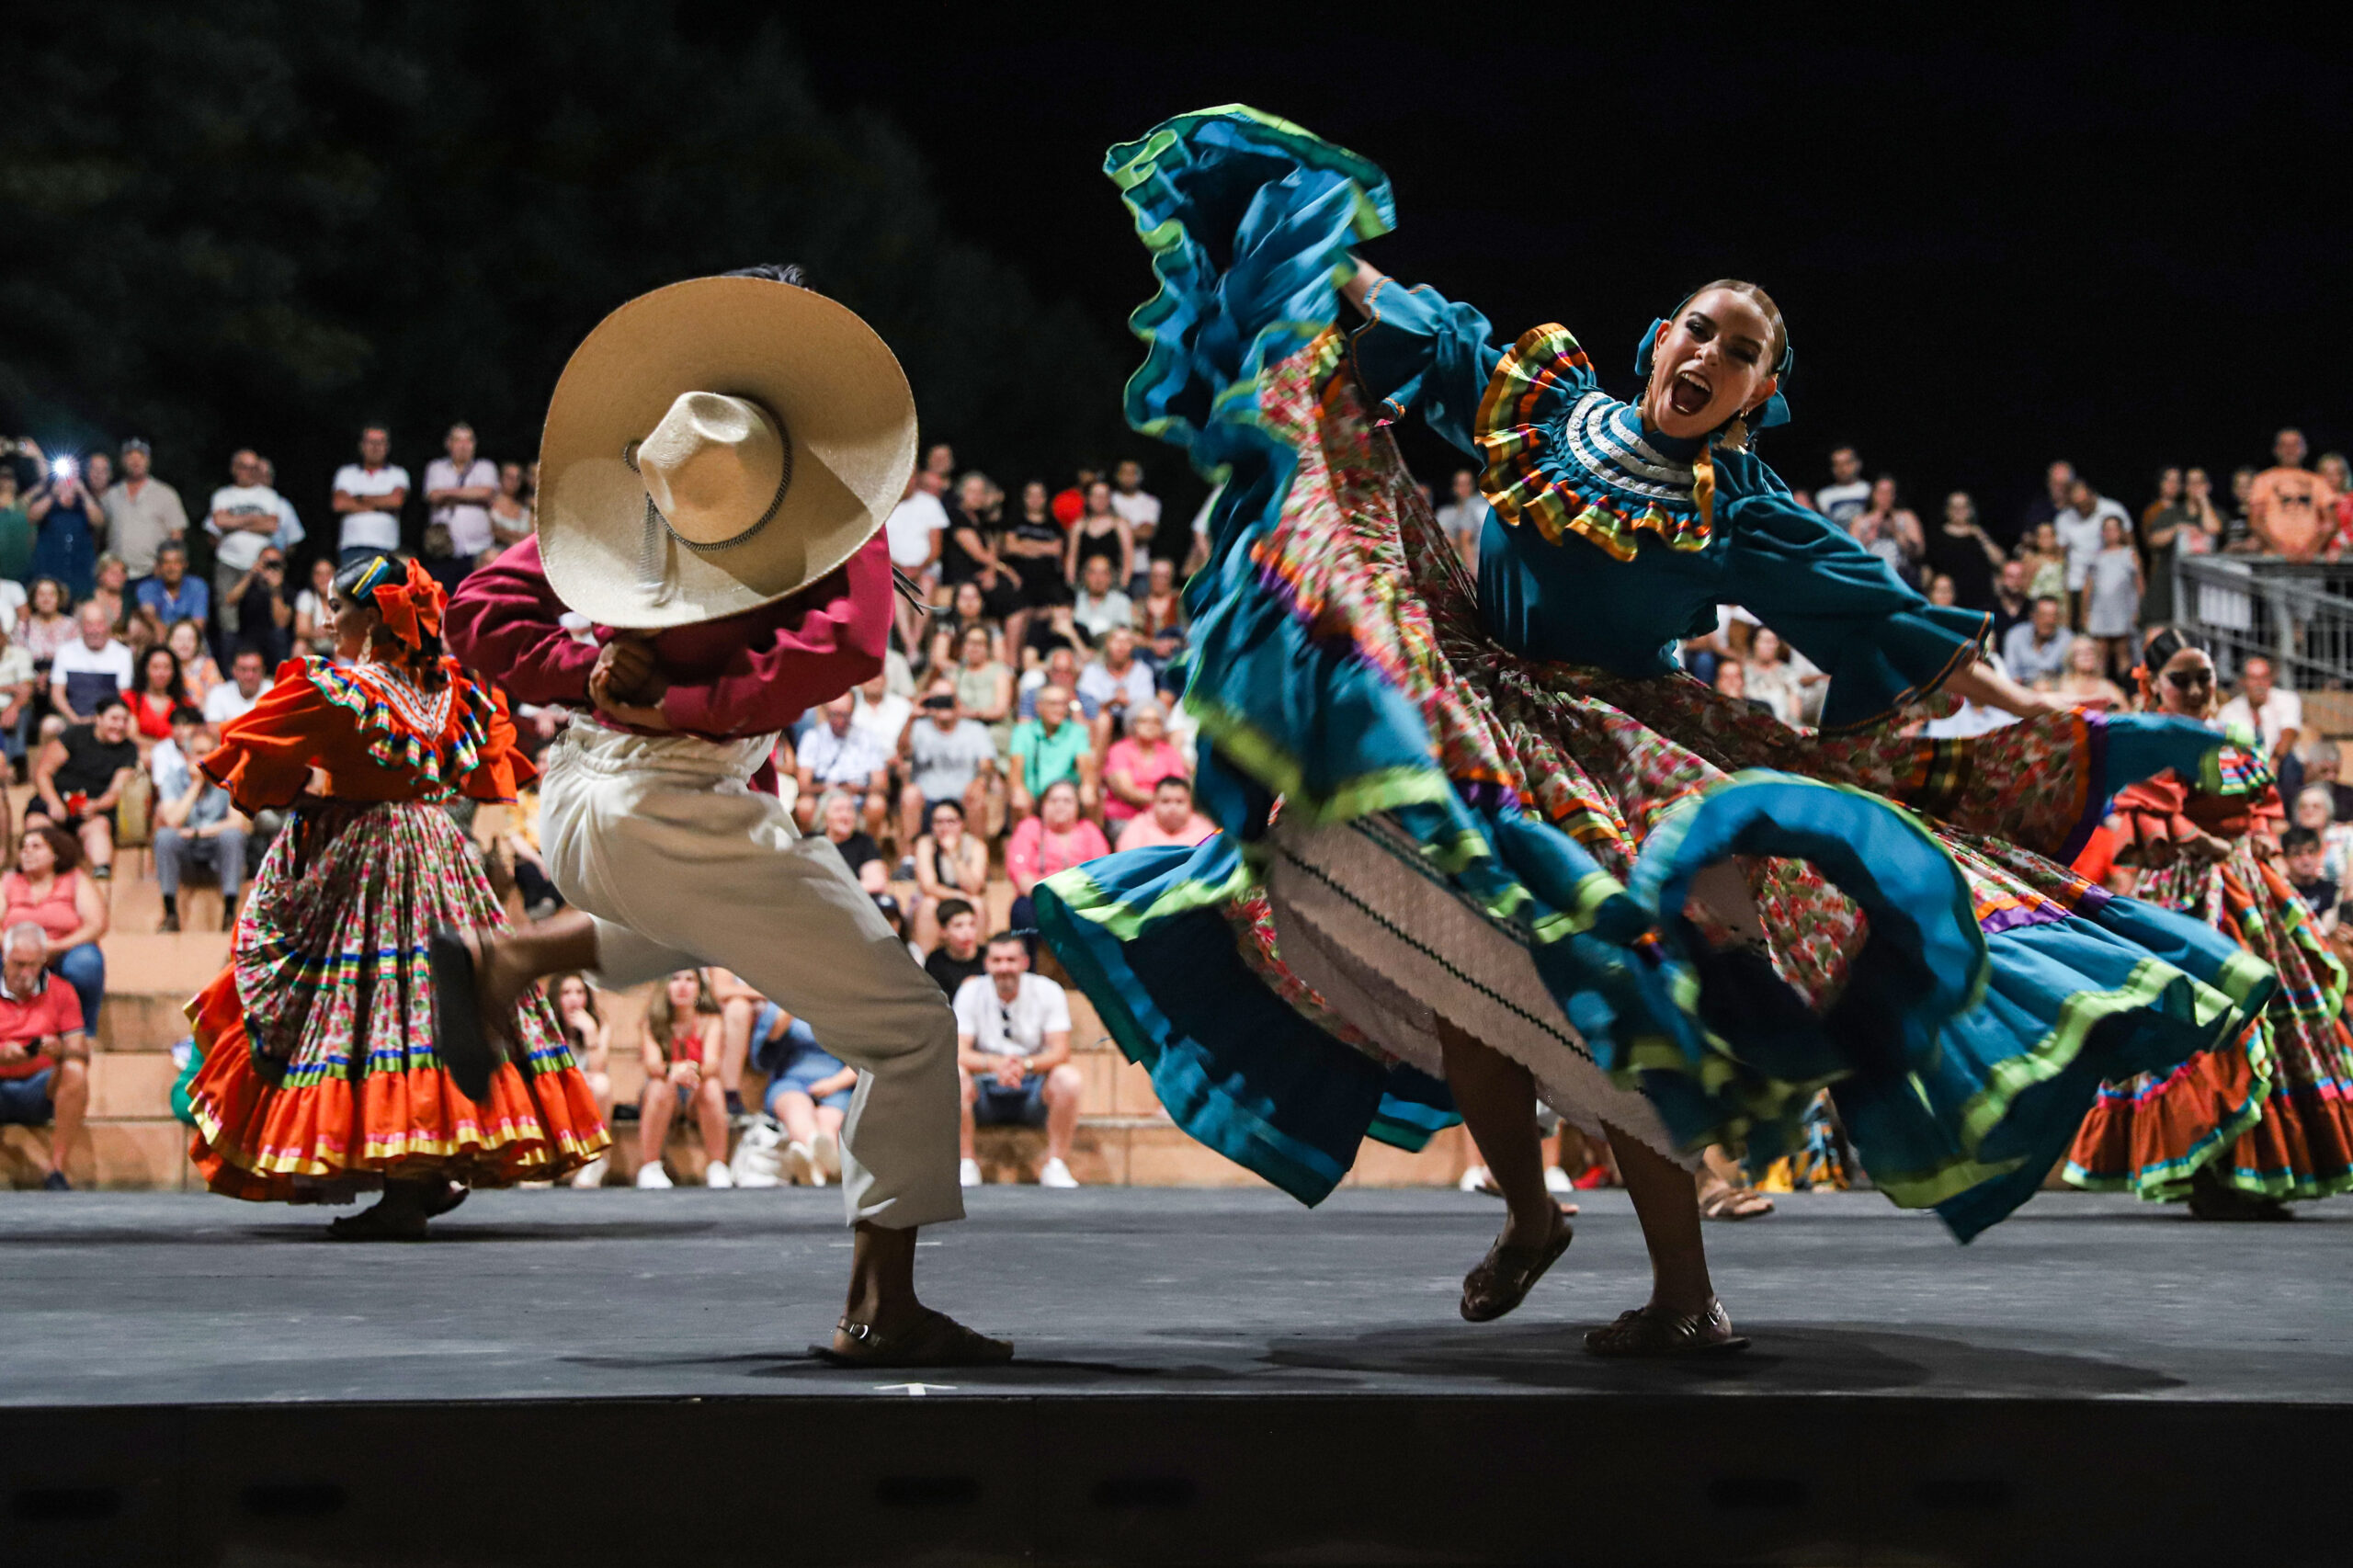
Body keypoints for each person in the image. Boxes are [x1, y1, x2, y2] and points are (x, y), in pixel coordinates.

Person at [1035, 109, 2261, 1357]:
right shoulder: (1540, 406)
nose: (1710, 356)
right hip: (1469, 703)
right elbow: (1419, 326)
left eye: (1741, 353)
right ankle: (1531, 1216)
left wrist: (2040, 712)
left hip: (1607, 748)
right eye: (1699, 329)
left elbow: (1881, 615)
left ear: (1759, 392)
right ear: (1657, 337)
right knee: (1463, 987)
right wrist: (1317, 235)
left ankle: (1686, 1292)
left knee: (1610, 1008)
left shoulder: (1739, 510)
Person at [438, 266, 1003, 1368]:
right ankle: (882, 1307)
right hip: (675, 803)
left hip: (582, 799)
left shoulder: (643, 489)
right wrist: (686, 701)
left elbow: (476, 611)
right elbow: (849, 646)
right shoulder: (826, 506)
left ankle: (516, 954)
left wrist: (584, 671)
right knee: (911, 1030)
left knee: (697, 921)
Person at [180, 554, 607, 1236]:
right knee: (429, 1001)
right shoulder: (456, 692)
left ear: (375, 618)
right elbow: (489, 768)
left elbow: (250, 750)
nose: (327, 621)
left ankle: (407, 1184)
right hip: (437, 850)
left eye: (336, 607)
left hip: (367, 856)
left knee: (376, 1005)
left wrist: (310, 795)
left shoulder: (336, 689)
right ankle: (428, 1170)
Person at [2067, 626, 2353, 1217]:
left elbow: (2259, 803)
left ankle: (2258, 1168)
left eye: (2205, 678)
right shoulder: (2149, 739)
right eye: (2182, 680)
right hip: (2187, 893)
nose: (2197, 690)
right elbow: (2151, 816)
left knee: (2271, 1019)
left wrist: (2259, 839)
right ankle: (2210, 1171)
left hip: (2247, 888)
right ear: (2153, 684)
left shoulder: (2232, 735)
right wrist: (2208, 845)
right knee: (2207, 1021)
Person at [954, 933, 1083, 1187]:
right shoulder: (970, 991)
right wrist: (995, 1065)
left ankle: (1055, 1165)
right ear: (987, 963)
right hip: (984, 1089)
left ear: (1024, 962)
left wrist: (1024, 1066)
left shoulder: (1048, 990)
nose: (1004, 967)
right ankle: (966, 1164)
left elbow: (1061, 1052)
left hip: (1032, 1088)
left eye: (1011, 960)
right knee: (953, 1075)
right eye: (997, 960)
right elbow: (958, 1051)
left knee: (1069, 1078)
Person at [0, 923, 91, 1190]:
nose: (25, 973)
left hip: (41, 1086)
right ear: (5, 957)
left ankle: (56, 1169)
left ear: (43, 961)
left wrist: (60, 1051)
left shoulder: (62, 991)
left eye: (32, 965)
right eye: (18, 964)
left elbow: (80, 1051)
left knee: (75, 1070)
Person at [1, 825, 109, 1034]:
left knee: (86, 963)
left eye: (36, 846)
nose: (27, 852)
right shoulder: (9, 881)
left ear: (55, 854)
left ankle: (83, 1033)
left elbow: (97, 924)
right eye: (23, 847)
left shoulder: (75, 879)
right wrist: (14, 948)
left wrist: (57, 946)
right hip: (16, 953)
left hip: (64, 951)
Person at [633, 968, 733, 1187]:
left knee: (712, 1086)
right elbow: (653, 1065)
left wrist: (690, 1070)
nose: (682, 986)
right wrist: (675, 1071)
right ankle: (650, 1166)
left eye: (690, 980)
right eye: (675, 979)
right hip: (664, 1090)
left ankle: (717, 1166)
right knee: (659, 1086)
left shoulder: (711, 1021)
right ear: (665, 986)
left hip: (696, 1089)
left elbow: (712, 1064)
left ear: (699, 988)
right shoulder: (652, 1021)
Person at [151, 713, 248, 932]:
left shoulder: (230, 779)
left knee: (233, 837)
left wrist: (198, 833)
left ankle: (230, 912)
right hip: (185, 853)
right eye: (199, 753)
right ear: (187, 755)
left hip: (216, 850)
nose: (206, 759)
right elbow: (172, 820)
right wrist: (196, 785)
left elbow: (236, 823)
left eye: (210, 753)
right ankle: (170, 913)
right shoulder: (173, 778)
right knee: (164, 837)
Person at [747, 999, 857, 1187]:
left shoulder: (849, 1007)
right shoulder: (780, 1004)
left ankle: (812, 1165)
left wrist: (834, 1084)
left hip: (836, 1083)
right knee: (796, 1109)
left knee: (829, 1121)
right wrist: (794, 1003)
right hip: (791, 1081)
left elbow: (865, 1060)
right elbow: (766, 1048)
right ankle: (824, 1167)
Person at [31, 695, 138, 880]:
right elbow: (43, 772)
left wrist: (96, 805)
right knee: (37, 825)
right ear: (99, 718)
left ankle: (101, 872)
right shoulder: (75, 735)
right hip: (55, 800)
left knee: (100, 826)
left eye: (124, 720)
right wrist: (54, 802)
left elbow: (115, 791)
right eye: (114, 719)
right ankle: (44, 874)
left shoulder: (129, 750)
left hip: (91, 807)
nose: (120, 725)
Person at [899, 676, 999, 851]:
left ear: (957, 700)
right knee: (909, 794)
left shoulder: (975, 729)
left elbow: (987, 765)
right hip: (927, 798)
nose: (943, 704)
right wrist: (911, 718)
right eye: (938, 699)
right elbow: (903, 751)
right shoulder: (918, 727)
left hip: (963, 797)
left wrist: (980, 781)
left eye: (948, 699)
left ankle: (978, 856)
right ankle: (909, 858)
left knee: (978, 793)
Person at [1006, 778, 1107, 938]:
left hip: (1081, 899)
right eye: (1053, 800)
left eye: (1067, 801)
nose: (1060, 805)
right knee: (1022, 910)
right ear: (1042, 805)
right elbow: (1019, 871)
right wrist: (1046, 897)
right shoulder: (1030, 827)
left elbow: (1102, 872)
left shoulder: (1089, 830)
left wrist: (1074, 897)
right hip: (1039, 899)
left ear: (1078, 807)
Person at [204, 451, 285, 646]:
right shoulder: (223, 495)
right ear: (234, 468)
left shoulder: (268, 495)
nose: (249, 472)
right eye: (244, 467)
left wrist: (234, 523)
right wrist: (255, 520)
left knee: (266, 613)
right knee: (227, 615)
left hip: (262, 564)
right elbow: (219, 521)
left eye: (253, 467)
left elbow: (271, 524)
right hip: (229, 562)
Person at [794, 692, 892, 839]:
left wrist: (858, 789)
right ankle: (812, 848)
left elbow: (882, 785)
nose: (840, 721)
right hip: (823, 797)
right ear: (826, 712)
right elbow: (802, 785)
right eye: (834, 715)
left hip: (857, 798)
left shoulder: (868, 738)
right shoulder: (813, 737)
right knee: (804, 805)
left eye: (845, 715)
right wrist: (828, 788)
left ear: (853, 712)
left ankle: (867, 848)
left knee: (877, 804)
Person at [549, 972, 614, 1188]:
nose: (574, 999)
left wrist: (591, 1034)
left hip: (585, 1096)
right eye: (566, 993)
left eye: (580, 992)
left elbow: (598, 1070)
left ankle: (596, 1159)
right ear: (556, 998)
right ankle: (543, 1161)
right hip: (555, 1095)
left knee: (602, 1084)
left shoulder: (599, 1025)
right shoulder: (544, 1027)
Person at [101, 439, 190, 585]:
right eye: (130, 456)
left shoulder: (166, 493)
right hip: (117, 575)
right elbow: (99, 532)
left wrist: (165, 567)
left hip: (153, 573)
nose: (135, 461)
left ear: (148, 460)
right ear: (122, 461)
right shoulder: (110, 494)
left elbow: (177, 536)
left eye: (141, 456)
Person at [2219, 655, 2302, 801]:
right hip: (2247, 766)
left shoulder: (2287, 699)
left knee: (2290, 762)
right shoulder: (2229, 712)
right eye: (2253, 678)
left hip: (2279, 763)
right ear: (2243, 682)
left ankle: (2287, 812)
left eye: (2264, 678)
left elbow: (2289, 733)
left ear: (2271, 680)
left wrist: (2274, 759)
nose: (2260, 684)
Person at [911, 800, 989, 953]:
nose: (944, 827)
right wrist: (959, 895)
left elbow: (974, 887)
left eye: (951, 821)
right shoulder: (925, 844)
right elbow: (928, 887)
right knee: (928, 904)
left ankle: (977, 959)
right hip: (938, 900)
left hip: (965, 900)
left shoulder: (976, 846)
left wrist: (953, 854)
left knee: (977, 904)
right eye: (938, 822)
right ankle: (925, 962)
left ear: (962, 824)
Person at [1006, 683, 1094, 819]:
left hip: (1064, 795)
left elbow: (1085, 765)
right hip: (1033, 797)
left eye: (1063, 704)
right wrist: (1018, 789)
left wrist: (1088, 786)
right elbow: (1016, 766)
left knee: (1089, 796)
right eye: (1053, 704)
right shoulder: (1022, 732)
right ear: (1039, 706)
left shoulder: (1077, 732)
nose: (1059, 709)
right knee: (1018, 799)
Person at [2247, 427, 2336, 561]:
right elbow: (2256, 521)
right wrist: (2281, 550)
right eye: (2284, 445)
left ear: (2304, 449)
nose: (2290, 450)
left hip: (2311, 561)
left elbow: (2331, 522)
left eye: (2295, 445)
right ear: (2276, 450)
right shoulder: (2262, 480)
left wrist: (2311, 550)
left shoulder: (2318, 482)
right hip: (2274, 560)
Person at [1099, 699, 1188, 833]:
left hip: (1165, 818)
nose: (1150, 726)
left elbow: (1178, 788)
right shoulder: (1119, 751)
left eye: (1156, 722)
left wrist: (1165, 802)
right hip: (1125, 818)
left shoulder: (1170, 752)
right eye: (1144, 721)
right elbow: (1126, 790)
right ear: (1133, 724)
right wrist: (1163, 800)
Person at [24, 454, 104, 602]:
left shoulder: (87, 498)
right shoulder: (45, 495)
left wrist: (84, 493)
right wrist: (53, 495)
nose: (69, 477)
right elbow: (31, 517)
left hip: (81, 574)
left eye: (74, 472)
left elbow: (98, 522)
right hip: (49, 573)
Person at [331, 426, 410, 566]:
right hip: (352, 547)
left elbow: (396, 501)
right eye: (370, 442)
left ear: (387, 447)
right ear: (361, 446)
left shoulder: (398, 474)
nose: (375, 447)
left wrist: (358, 498)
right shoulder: (346, 473)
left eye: (380, 442)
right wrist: (381, 506)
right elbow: (339, 504)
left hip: (386, 546)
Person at [2055, 478, 2131, 626]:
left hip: (2110, 581)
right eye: (2077, 506)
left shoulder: (2113, 510)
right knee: (2081, 626)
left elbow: (2129, 545)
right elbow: (2060, 556)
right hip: (2077, 582)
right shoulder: (2064, 519)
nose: (2082, 509)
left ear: (2092, 495)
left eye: (2084, 504)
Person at [424, 422, 500, 564]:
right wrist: (471, 493)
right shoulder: (436, 467)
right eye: (458, 440)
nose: (464, 446)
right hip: (444, 548)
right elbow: (434, 496)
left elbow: (486, 493)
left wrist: (446, 493)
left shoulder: (486, 467)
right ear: (448, 443)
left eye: (468, 440)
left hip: (479, 548)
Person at [2082, 516, 2143, 676]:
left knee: (2122, 650)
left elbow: (2139, 584)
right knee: (2100, 652)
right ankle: (2099, 683)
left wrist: (2138, 609)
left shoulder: (2130, 554)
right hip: (2100, 610)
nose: (2111, 533)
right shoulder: (2096, 557)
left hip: (2122, 609)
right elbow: (2088, 587)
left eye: (2114, 529)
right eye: (2107, 529)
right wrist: (2085, 612)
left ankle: (2126, 683)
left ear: (2121, 531)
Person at [1924, 492, 2003, 610]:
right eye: (1955, 507)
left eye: (1963, 507)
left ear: (1970, 510)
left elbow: (1999, 561)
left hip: (1979, 602)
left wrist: (1981, 537)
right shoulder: (1936, 537)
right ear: (1947, 510)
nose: (1959, 511)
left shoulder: (1979, 535)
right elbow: (1927, 571)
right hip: (1948, 603)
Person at [1063, 479, 1135, 594]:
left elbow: (1128, 558)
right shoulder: (1079, 526)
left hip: (1113, 587)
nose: (1100, 500)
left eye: (1104, 496)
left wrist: (1122, 586)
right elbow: (1072, 558)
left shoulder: (1121, 525)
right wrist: (1072, 584)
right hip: (1084, 587)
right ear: (1088, 499)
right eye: (1096, 496)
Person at [133, 541, 208, 645]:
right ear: (159, 566)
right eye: (166, 563)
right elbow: (149, 617)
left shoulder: (197, 586)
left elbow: (198, 626)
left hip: (191, 642)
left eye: (176, 562)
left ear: (185, 564)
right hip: (158, 645)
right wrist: (157, 624)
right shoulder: (147, 588)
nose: (171, 568)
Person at [1117, 775, 1215, 851]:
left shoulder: (1206, 829)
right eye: (1165, 801)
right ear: (1154, 802)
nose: (1172, 808)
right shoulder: (1138, 826)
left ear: (1190, 804)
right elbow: (1128, 863)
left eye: (1179, 801)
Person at [923, 898, 988, 997]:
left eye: (972, 924)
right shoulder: (935, 962)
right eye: (958, 926)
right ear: (943, 931)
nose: (967, 932)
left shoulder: (988, 957)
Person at [2000, 596, 2071, 687]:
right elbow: (2010, 672)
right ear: (2033, 616)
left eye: (2053, 616)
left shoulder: (2066, 639)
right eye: (2043, 615)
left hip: (2054, 689)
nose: (2048, 621)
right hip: (2020, 689)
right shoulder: (2016, 635)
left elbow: (2070, 674)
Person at [2282, 826, 2337, 937]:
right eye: (2297, 854)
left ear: (2319, 853)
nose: (2306, 860)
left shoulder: (2333, 892)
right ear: (2285, 858)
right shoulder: (2283, 893)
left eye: (2311, 852)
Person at [130, 644, 188, 747]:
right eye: (155, 667)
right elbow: (132, 736)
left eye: (167, 667)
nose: (161, 673)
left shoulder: (184, 702)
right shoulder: (131, 699)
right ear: (145, 669)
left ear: (174, 672)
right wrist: (163, 749)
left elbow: (186, 739)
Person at [1434, 468, 1490, 570]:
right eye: (1460, 484)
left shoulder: (1482, 510)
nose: (1465, 488)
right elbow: (1443, 541)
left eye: (1468, 484)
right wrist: (1464, 543)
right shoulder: (1445, 513)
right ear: (1453, 488)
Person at [2055, 635, 2128, 712]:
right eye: (2080, 653)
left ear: (2097, 657)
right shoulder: (2065, 685)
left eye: (2090, 652)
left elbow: (2126, 710)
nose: (2086, 656)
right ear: (2072, 659)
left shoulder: (2106, 686)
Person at [204, 646, 269, 728]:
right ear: (234, 671)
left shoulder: (275, 692)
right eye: (243, 669)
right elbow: (213, 728)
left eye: (255, 670)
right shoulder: (219, 693)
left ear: (263, 671)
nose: (249, 676)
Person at [166, 619, 223, 710]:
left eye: (190, 639)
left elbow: (217, 700)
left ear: (197, 644)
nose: (185, 644)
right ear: (170, 642)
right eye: (179, 639)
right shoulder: (164, 666)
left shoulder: (207, 665)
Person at [1813, 446, 1870, 528]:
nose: (1842, 468)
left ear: (1858, 464)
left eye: (1847, 463)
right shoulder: (1823, 496)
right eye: (1837, 464)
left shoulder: (1868, 490)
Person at [293, 556, 339, 658]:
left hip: (336, 643)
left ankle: (341, 668)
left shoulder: (342, 598)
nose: (324, 579)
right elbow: (301, 630)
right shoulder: (307, 597)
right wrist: (316, 633)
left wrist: (332, 632)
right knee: (300, 645)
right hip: (313, 644)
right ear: (313, 577)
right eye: (319, 574)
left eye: (328, 574)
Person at [489, 460, 536, 552]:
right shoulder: (490, 505)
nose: (513, 481)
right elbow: (494, 531)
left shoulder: (526, 509)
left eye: (517, 478)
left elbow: (534, 536)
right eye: (509, 477)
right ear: (500, 478)